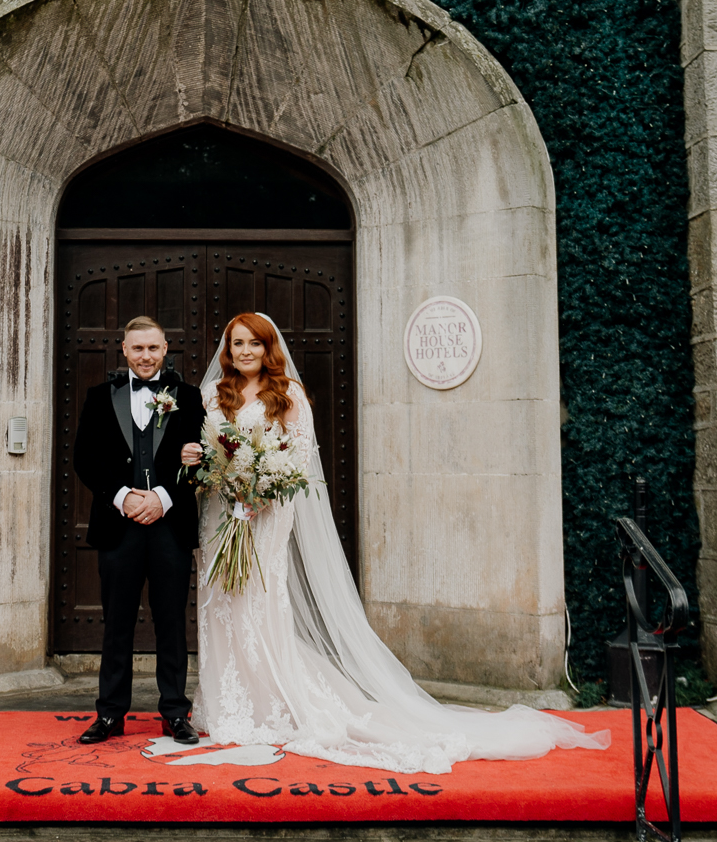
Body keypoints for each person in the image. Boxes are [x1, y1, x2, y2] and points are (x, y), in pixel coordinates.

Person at [181, 311, 610, 774]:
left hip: (265, 516)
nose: (245, 351)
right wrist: (211, 471)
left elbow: (297, 461)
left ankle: (270, 704)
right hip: (221, 516)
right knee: (219, 603)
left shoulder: (288, 396)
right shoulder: (211, 396)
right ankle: (227, 703)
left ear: (269, 349)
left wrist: (259, 492)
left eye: (254, 344)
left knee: (259, 604)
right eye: (237, 343)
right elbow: (201, 455)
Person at [71, 315, 205, 746]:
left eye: (153, 348)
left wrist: (163, 498)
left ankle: (174, 713)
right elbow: (85, 459)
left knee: (171, 622)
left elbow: (200, 461)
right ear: (124, 351)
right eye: (137, 348)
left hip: (170, 526)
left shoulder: (189, 396)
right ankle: (110, 713)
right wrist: (122, 496)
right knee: (117, 624)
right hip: (118, 527)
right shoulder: (98, 396)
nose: (145, 356)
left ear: (166, 349)